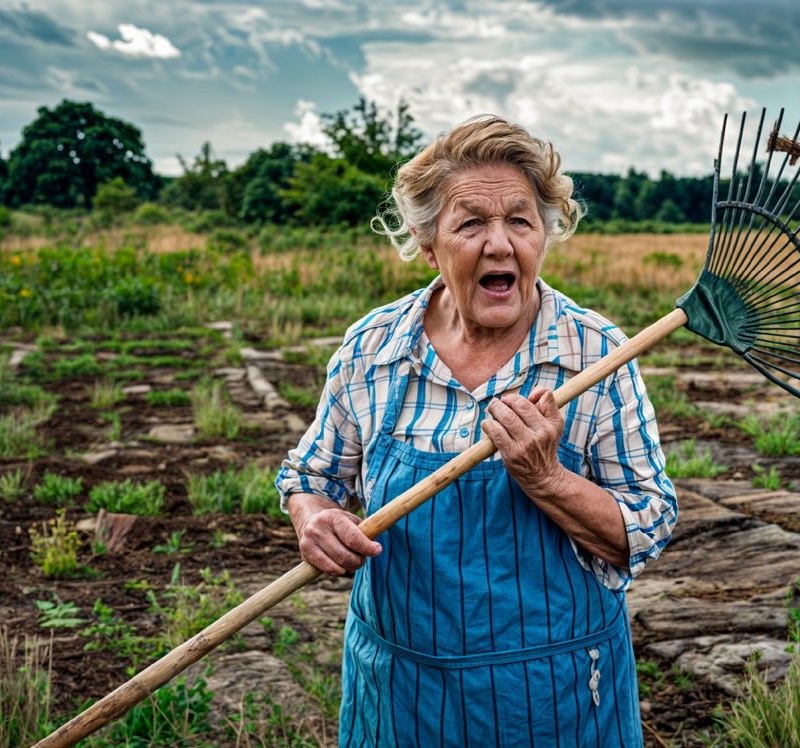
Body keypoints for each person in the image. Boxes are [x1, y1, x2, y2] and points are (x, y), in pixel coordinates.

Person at [277, 114, 677, 747]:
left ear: (544, 234)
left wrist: (546, 479)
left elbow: (647, 526)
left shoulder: (594, 355)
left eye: (520, 220)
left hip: (554, 701)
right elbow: (309, 477)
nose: (500, 244)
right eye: (471, 224)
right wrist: (313, 518)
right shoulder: (374, 348)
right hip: (399, 698)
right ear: (428, 244)